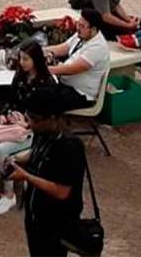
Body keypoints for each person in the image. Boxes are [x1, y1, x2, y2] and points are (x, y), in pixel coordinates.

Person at [6, 87, 87, 257]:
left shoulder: (69, 147)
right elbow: (39, 152)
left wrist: (26, 176)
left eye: (35, 119)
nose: (30, 123)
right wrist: (20, 159)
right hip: (36, 216)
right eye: (28, 117)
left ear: (53, 118)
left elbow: (62, 191)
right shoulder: (42, 132)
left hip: (56, 223)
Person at [0, 39, 56, 216]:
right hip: (15, 128)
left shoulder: (47, 83)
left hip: (36, 133)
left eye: (26, 59)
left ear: (36, 59)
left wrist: (27, 122)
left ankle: (9, 193)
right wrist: (6, 114)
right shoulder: (20, 77)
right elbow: (10, 101)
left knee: (2, 150)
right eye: (20, 58)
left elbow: (50, 117)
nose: (22, 62)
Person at [45, 9, 111, 111]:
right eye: (78, 24)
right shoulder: (82, 34)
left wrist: (45, 69)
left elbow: (72, 69)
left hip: (80, 94)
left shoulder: (98, 47)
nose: (78, 28)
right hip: (66, 85)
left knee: (42, 96)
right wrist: (40, 50)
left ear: (93, 29)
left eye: (82, 26)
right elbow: (63, 48)